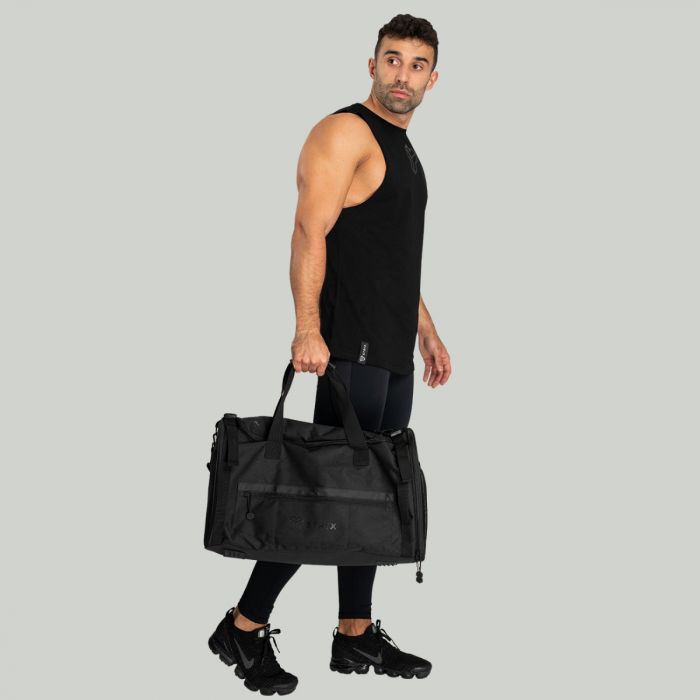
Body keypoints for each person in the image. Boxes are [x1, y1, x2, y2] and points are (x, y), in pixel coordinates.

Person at [208, 14, 451, 694]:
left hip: (392, 346)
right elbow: (308, 231)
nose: (403, 74)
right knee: (324, 491)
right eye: (392, 59)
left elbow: (389, 255)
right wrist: (307, 328)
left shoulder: (402, 148)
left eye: (417, 64)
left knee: (370, 491)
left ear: (434, 79)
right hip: (351, 344)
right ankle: (244, 625)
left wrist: (426, 329)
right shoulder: (345, 132)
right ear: (371, 64)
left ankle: (354, 633)